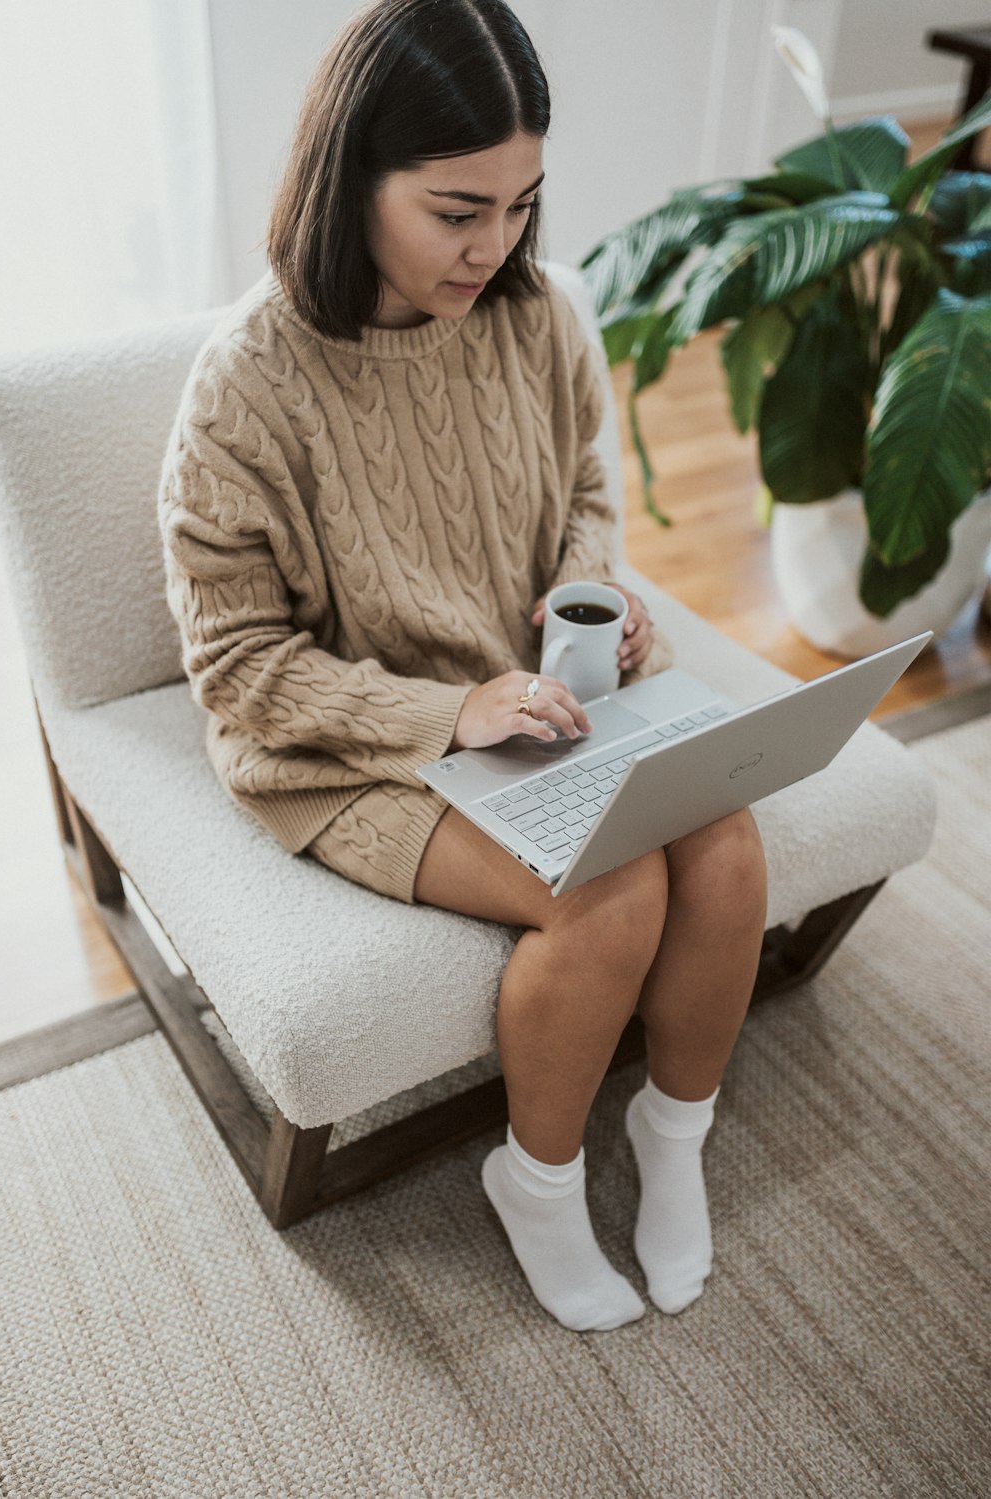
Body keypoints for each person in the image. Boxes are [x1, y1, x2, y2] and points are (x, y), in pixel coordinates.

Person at [158, 0, 768, 1333]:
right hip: (347, 748)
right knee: (607, 895)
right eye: (455, 211)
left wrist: (589, 589)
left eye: (522, 203)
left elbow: (585, 484)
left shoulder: (536, 314)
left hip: (530, 697)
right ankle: (538, 1183)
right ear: (350, 178)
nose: (494, 245)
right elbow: (239, 671)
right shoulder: (245, 390)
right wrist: (452, 711)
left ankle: (673, 1139)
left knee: (723, 842)